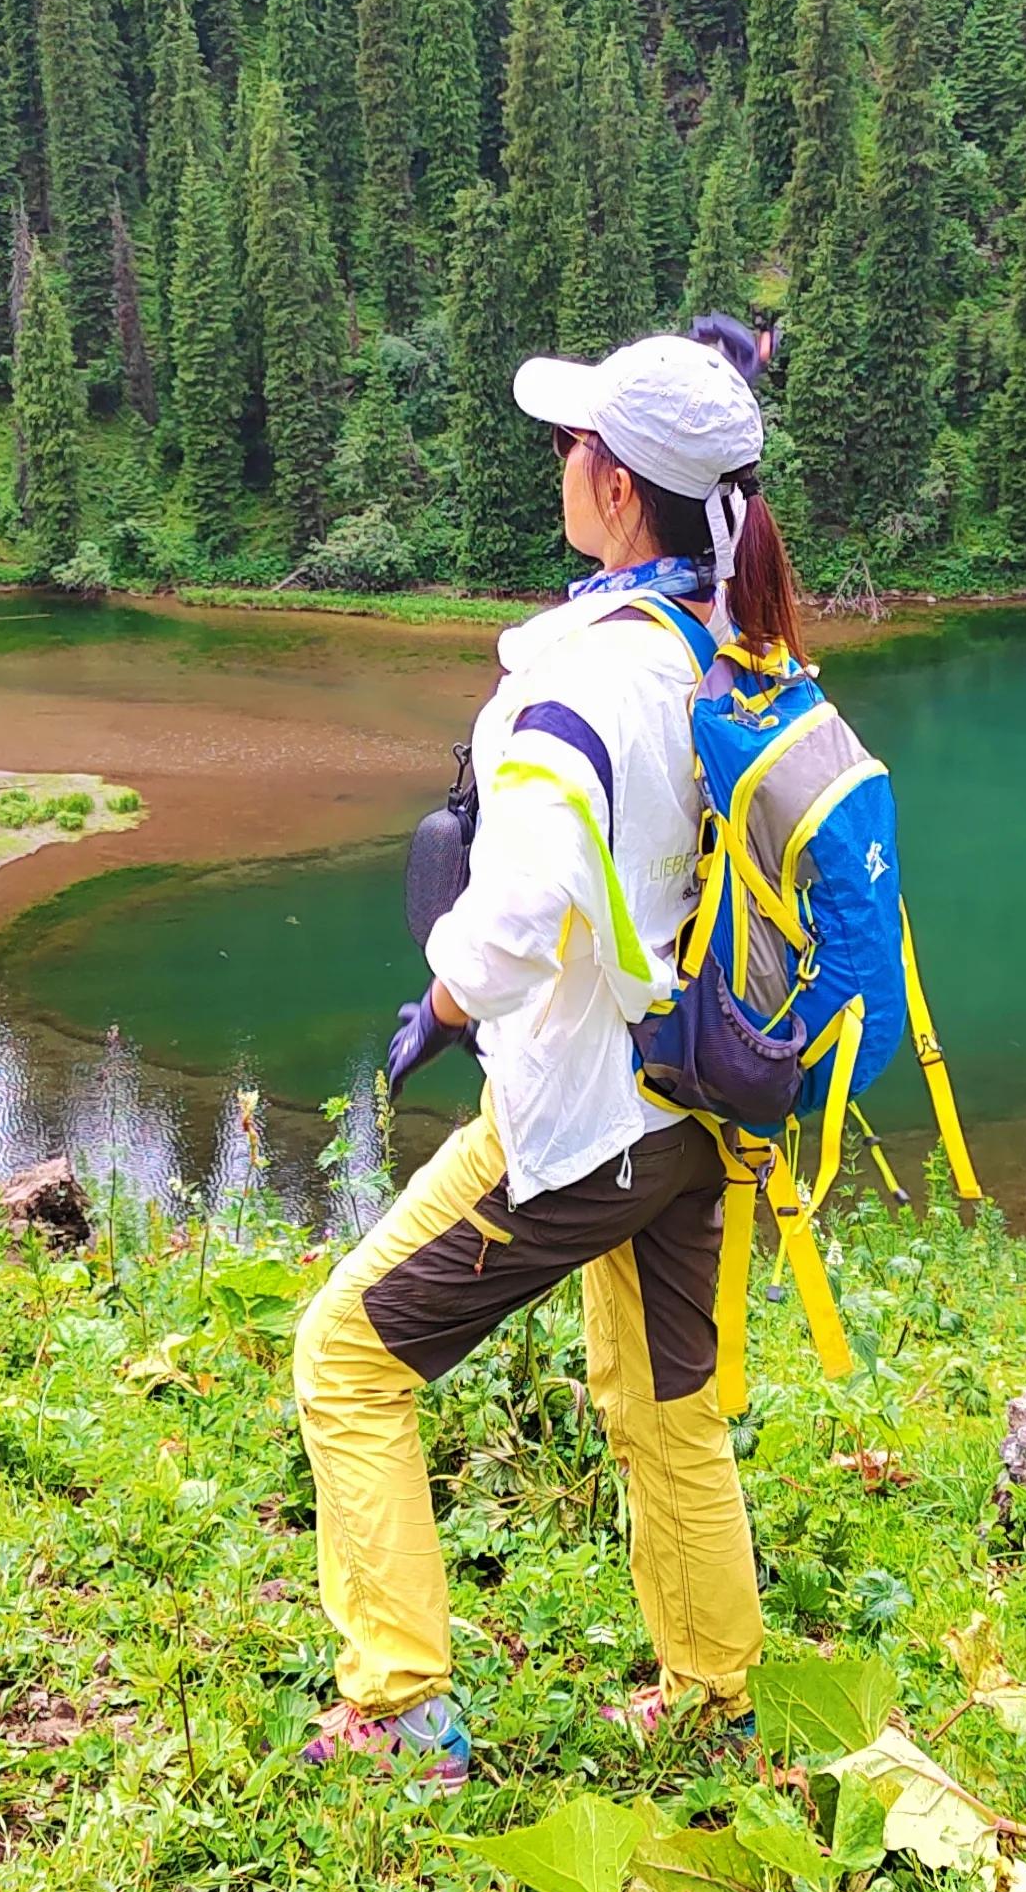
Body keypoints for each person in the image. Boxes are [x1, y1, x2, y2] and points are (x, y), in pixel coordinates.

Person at [293, 332, 807, 1790]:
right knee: (666, 1409)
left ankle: (398, 1711)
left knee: (345, 1358)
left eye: (578, 442)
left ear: (620, 488)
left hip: (580, 1123)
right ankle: (713, 1695)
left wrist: (444, 1010)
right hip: (701, 1098)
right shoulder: (734, 645)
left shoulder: (577, 688)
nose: (562, 460)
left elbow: (513, 917)